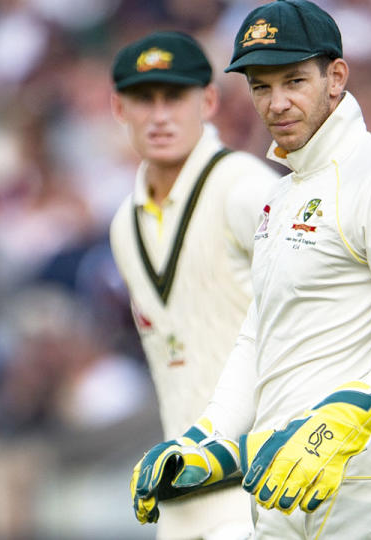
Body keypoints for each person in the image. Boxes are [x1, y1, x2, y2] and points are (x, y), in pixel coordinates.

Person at [127, 2, 371, 539]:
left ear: (336, 77)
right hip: (276, 486)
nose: (277, 103)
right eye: (261, 86)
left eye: (295, 81)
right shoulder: (282, 193)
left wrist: (345, 417)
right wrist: (204, 440)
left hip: (357, 484)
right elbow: (258, 338)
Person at [109, 30, 278, 539]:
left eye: (174, 96)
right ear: (119, 107)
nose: (159, 115)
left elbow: (331, 296)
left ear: (207, 100)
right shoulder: (124, 223)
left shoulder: (245, 187)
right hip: (182, 495)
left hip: (262, 485)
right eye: (143, 98)